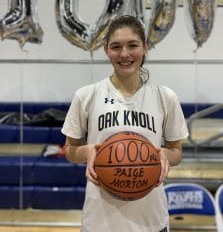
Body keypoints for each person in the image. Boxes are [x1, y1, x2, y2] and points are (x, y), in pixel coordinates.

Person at [61, 14, 188, 232]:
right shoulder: (86, 96)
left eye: (133, 45)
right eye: (116, 47)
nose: (125, 54)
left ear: (145, 47)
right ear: (106, 50)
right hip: (100, 222)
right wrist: (87, 151)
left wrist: (165, 155)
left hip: (151, 220)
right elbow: (70, 150)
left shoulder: (165, 97)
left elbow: (176, 152)